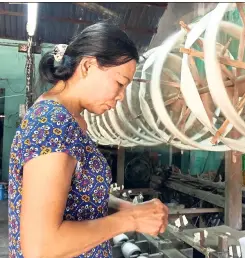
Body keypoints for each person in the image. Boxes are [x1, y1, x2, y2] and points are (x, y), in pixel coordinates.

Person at [8, 22, 168, 258]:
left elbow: (75, 193)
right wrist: (131, 219)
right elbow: (41, 248)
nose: (121, 96)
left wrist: (121, 206)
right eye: (119, 83)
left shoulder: (69, 120)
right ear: (87, 66)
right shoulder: (53, 124)